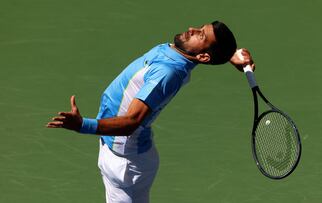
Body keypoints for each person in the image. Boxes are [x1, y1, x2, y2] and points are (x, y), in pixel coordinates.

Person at [47, 21, 255, 203]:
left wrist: (82, 125)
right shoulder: (179, 53)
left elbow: (131, 122)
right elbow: (206, 52)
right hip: (120, 150)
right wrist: (230, 54)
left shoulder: (166, 72)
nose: (191, 29)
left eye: (200, 34)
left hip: (124, 161)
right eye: (199, 28)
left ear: (203, 55)